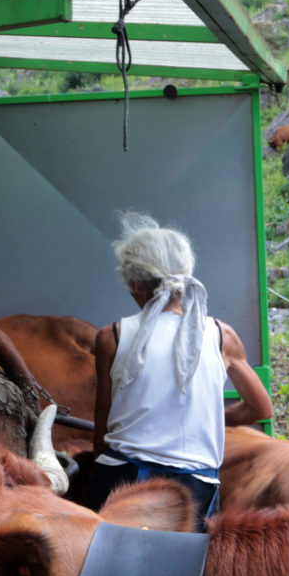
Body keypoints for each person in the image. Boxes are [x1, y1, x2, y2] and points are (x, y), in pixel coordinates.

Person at [89, 214, 274, 525]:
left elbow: (102, 436)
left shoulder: (112, 338)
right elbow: (261, 408)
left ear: (136, 285)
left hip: (122, 481)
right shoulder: (221, 336)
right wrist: (213, 417)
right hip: (193, 489)